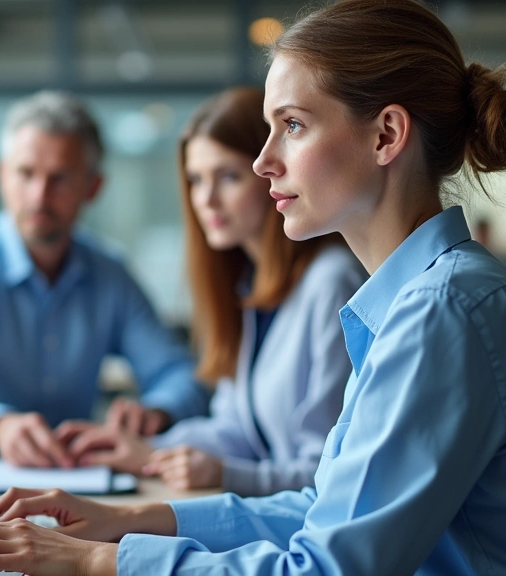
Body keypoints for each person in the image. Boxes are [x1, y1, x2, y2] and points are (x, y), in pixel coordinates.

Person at [0, 1, 506, 574]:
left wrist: (96, 561)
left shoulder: (444, 313)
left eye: (293, 125)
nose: (263, 162)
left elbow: (326, 567)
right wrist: (134, 519)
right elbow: (325, 510)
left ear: (387, 135)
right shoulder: (420, 299)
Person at [57, 87, 365, 495]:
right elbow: (235, 431)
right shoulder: (248, 284)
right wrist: (145, 450)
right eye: (196, 180)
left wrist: (225, 475)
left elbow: (329, 474)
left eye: (228, 177)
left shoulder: (331, 283)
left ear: (274, 172)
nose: (206, 200)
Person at [0, 91, 209, 467]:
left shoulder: (109, 275)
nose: (38, 196)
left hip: (73, 483)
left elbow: (179, 374)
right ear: (2, 175)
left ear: (93, 188)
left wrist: (156, 411)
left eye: (59, 178)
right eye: (25, 174)